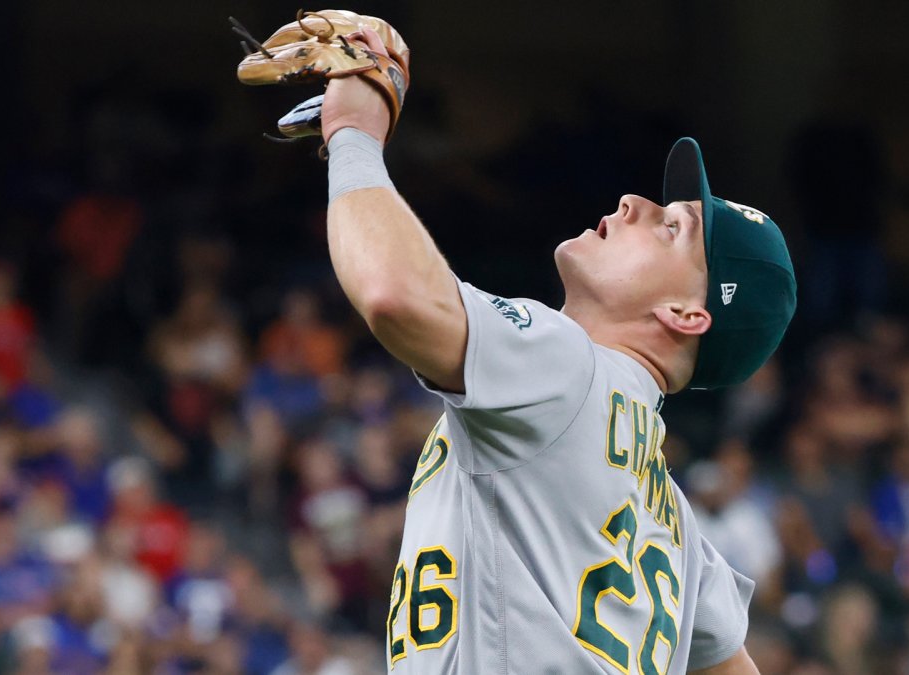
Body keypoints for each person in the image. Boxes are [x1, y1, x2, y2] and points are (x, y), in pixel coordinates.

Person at [308, 27, 795, 674]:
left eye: (671, 227)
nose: (634, 203)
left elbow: (395, 294)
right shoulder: (673, 519)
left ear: (685, 313)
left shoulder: (569, 367)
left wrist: (353, 135)